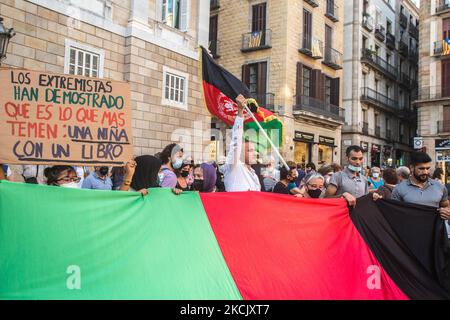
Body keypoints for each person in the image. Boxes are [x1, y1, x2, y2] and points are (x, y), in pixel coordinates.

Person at [391, 152, 450, 221]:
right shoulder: (399, 188)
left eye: (427, 168)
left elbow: (446, 206)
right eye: (421, 169)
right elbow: (393, 212)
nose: (425, 172)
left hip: (434, 230)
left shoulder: (439, 187)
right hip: (409, 229)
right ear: (412, 168)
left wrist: (446, 212)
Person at [223, 94, 261, 192]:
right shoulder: (234, 168)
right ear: (240, 153)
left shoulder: (254, 174)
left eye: (254, 150)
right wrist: (240, 112)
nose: (255, 153)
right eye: (250, 150)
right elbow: (236, 142)